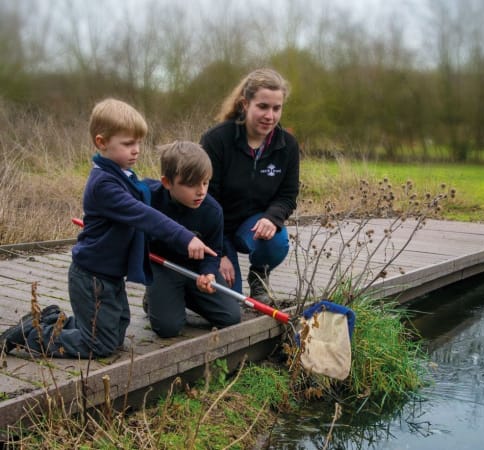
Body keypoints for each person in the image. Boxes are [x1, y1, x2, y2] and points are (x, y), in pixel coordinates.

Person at [0, 98, 216, 359]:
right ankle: (28, 334)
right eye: (127, 144)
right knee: (99, 347)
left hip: (110, 275)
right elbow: (142, 214)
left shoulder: (123, 174)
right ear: (101, 142)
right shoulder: (103, 184)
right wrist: (184, 237)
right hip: (92, 276)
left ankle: (51, 319)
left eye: (138, 143)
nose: (136, 150)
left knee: (115, 335)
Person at [200, 68, 300, 303]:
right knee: (229, 299)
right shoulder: (216, 140)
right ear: (245, 104)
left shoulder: (288, 145)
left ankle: (259, 277)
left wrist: (271, 218)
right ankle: (171, 290)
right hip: (216, 228)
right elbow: (204, 200)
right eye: (263, 106)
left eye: (277, 108)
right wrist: (219, 254)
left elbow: (287, 195)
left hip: (251, 227)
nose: (270, 116)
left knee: (277, 239)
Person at [141, 141, 241, 337]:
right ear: (167, 182)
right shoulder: (147, 196)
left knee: (231, 317)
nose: (201, 191)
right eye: (191, 184)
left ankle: (178, 296)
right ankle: (156, 297)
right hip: (162, 266)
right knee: (168, 328)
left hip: (194, 268)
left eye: (205, 182)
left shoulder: (212, 211)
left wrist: (208, 274)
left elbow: (213, 253)